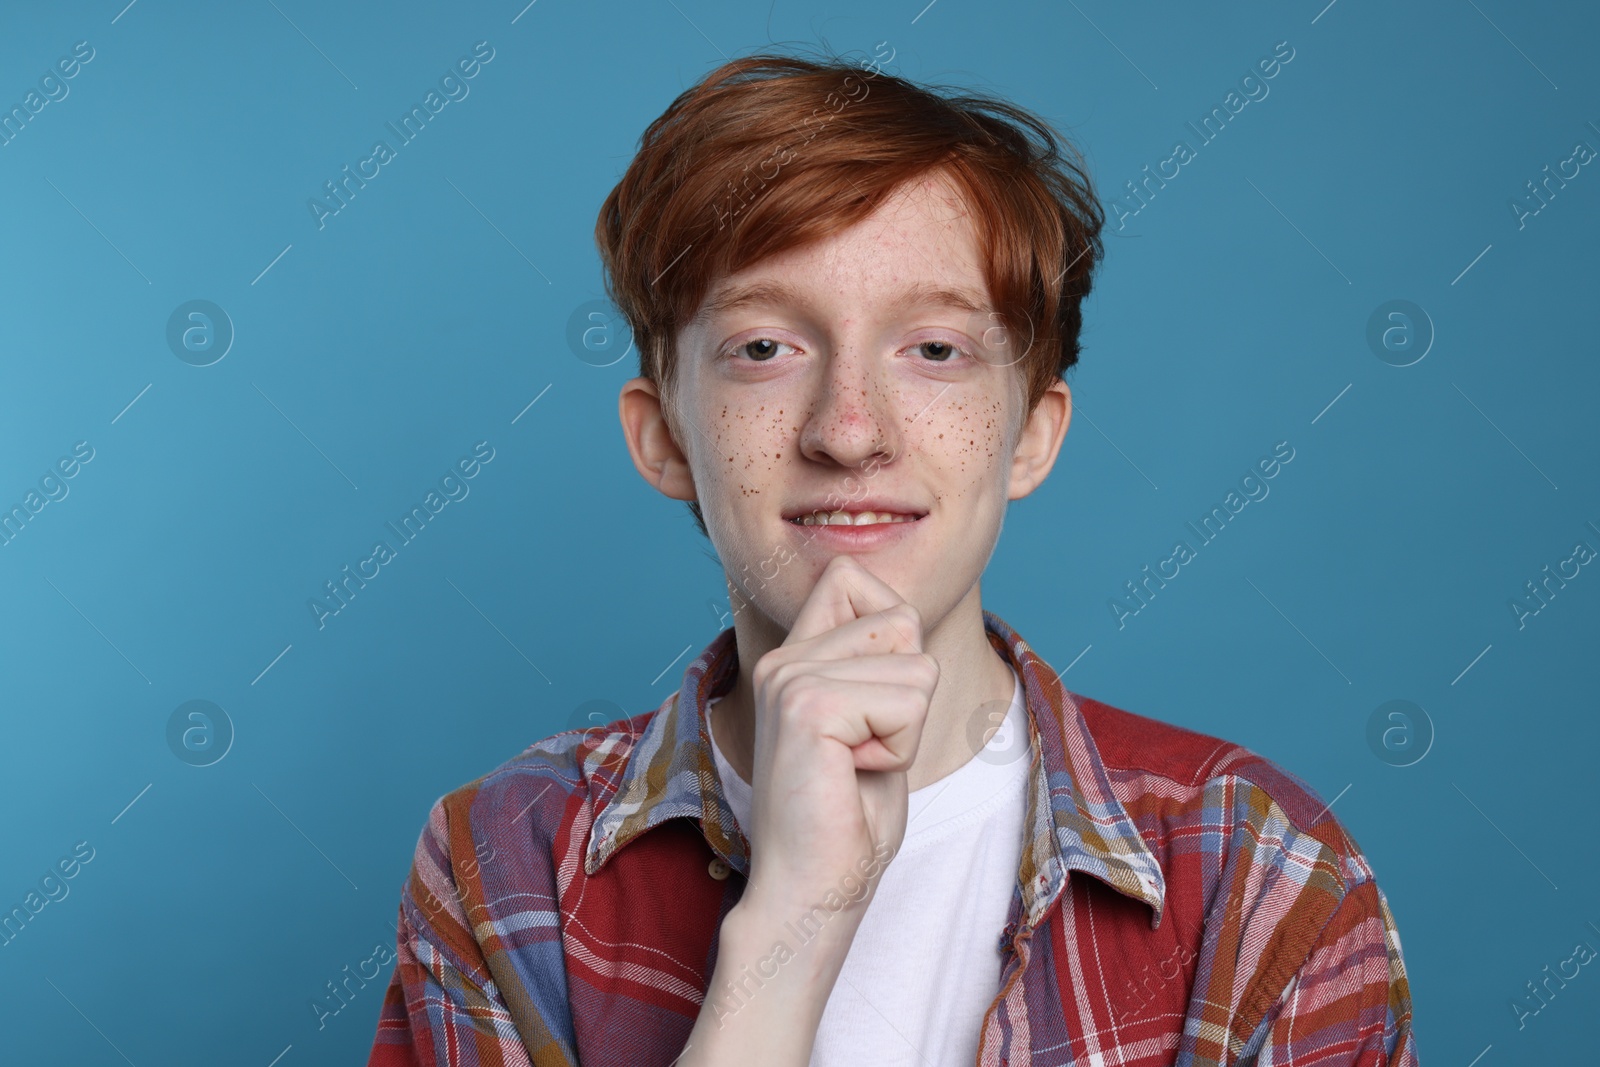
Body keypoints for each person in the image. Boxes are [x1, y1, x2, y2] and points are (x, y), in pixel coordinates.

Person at [368, 48, 1420, 1067]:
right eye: (763, 348)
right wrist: (791, 922)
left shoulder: (1261, 869)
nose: (850, 429)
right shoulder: (502, 862)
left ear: (1032, 434)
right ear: (664, 437)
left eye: (934, 349)